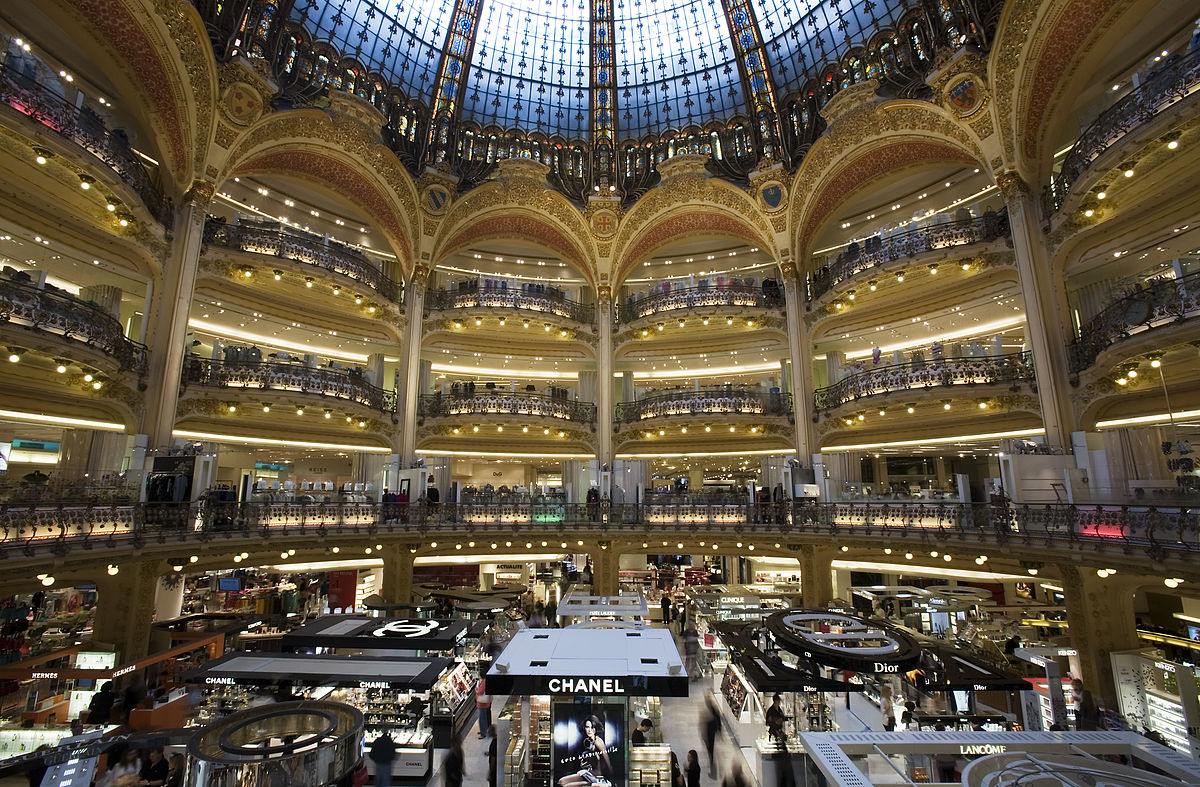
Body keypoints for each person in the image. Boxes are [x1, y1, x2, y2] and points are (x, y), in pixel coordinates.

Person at [558, 714, 613, 787]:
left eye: (592, 727)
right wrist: (585, 765)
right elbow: (594, 760)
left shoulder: (598, 741)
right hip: (588, 773)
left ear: (596, 728)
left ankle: (597, 784)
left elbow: (606, 759)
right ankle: (589, 784)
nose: (590, 730)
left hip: (595, 776)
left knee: (565, 786)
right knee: (561, 782)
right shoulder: (589, 741)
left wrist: (611, 776)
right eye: (587, 727)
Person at [702, 694, 720, 775]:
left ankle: (712, 761)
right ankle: (711, 759)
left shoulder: (712, 710)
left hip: (711, 733)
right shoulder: (711, 709)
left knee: (710, 747)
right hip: (710, 732)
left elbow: (717, 719)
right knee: (710, 747)